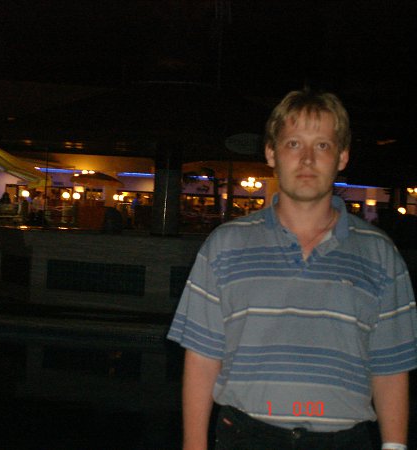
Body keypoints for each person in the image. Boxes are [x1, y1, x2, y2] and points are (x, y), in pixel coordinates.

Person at [167, 89, 417, 450]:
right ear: (272, 153)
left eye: (322, 145)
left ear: (342, 156)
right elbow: (203, 358)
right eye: (294, 144)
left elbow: (390, 366)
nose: (307, 159)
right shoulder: (225, 246)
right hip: (246, 438)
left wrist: (394, 447)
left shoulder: (380, 254)